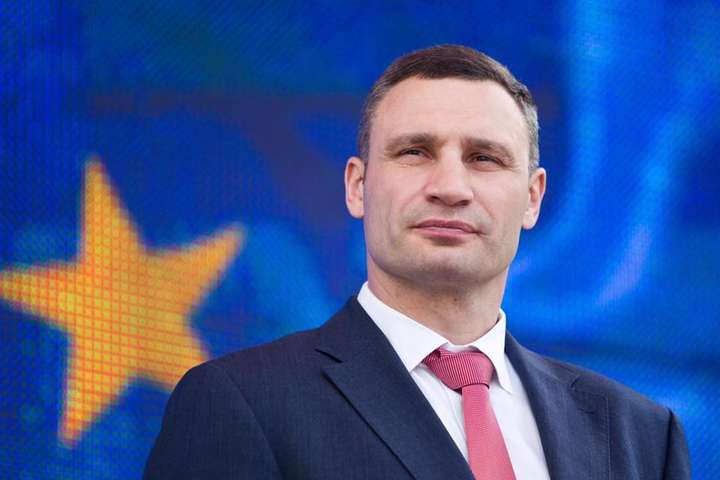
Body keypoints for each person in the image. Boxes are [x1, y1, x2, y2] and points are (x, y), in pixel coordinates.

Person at [144, 45, 691, 479]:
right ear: (357, 186)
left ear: (533, 198)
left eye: (484, 158)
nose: (450, 187)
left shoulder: (641, 435)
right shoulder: (239, 404)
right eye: (414, 152)